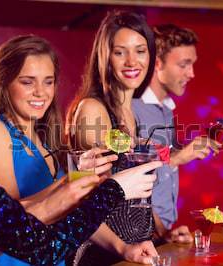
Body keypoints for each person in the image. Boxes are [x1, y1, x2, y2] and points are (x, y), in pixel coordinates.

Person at [0, 21, 161, 265]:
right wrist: (109, 188)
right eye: (28, 82)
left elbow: (68, 211)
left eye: (48, 81)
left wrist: (123, 247)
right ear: (4, 82)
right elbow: (10, 225)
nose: (41, 92)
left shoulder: (43, 134)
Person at [65, 11, 158, 265]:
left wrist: (163, 233)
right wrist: (121, 248)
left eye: (140, 50)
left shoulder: (130, 114)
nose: (132, 61)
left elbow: (137, 203)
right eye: (120, 52)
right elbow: (82, 200)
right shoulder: (94, 110)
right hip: (102, 254)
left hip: (135, 250)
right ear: (104, 57)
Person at [132, 24, 219, 243]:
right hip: (140, 236)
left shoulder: (166, 109)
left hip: (159, 232)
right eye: (183, 65)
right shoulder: (132, 107)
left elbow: (157, 154)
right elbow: (131, 170)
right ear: (157, 63)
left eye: (192, 64)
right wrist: (179, 157)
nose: (191, 73)